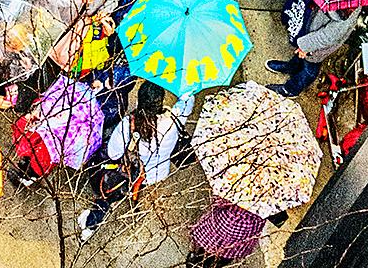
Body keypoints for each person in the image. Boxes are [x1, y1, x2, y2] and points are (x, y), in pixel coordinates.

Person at [77, 80, 190, 240]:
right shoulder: (174, 120)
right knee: (137, 184)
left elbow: (114, 153)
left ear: (139, 100)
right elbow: (187, 101)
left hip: (129, 173)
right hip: (154, 174)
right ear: (161, 102)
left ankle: (91, 224)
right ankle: (135, 194)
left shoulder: (128, 125)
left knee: (111, 193)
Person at [267, 0, 365, 96]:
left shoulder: (345, 15)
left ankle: (291, 89)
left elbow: (327, 37)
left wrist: (305, 46)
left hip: (317, 46)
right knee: (299, 57)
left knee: (310, 68)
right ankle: (292, 67)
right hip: (313, 30)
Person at [187, 201, 268, 264]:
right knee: (222, 256)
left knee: (207, 249)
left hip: (217, 229)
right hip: (241, 234)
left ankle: (200, 260)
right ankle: (211, 262)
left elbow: (218, 201)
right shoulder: (263, 207)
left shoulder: (236, 192)